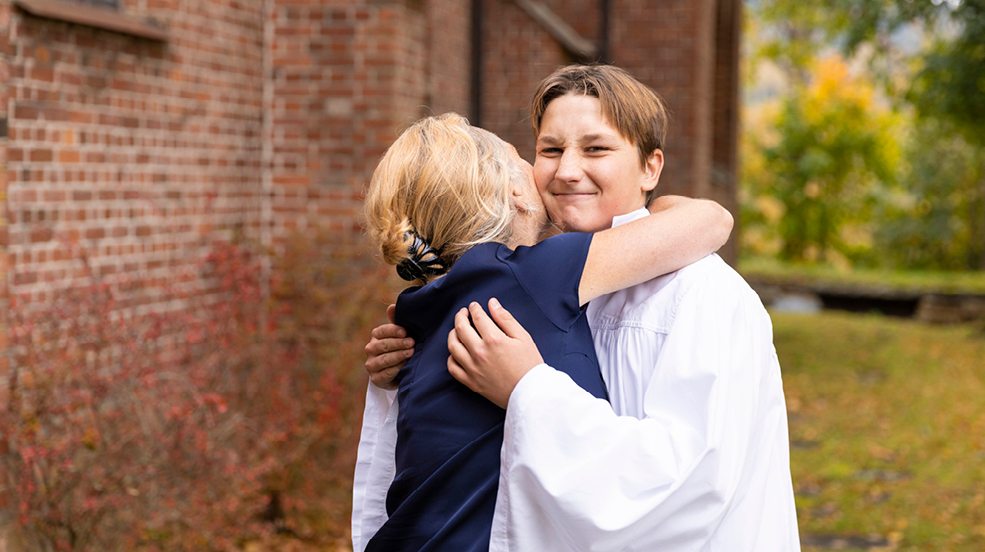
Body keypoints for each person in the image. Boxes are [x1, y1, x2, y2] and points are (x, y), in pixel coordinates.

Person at [363, 65, 801, 551]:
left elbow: (693, 484)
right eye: (550, 150)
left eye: (596, 149)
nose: (567, 171)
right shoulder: (523, 283)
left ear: (650, 168)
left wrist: (529, 390)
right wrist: (398, 369)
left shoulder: (702, 294)